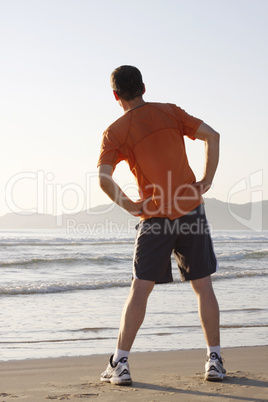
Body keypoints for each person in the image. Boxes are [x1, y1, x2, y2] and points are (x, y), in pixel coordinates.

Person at [97, 65, 226, 385]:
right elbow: (213, 135)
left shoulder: (115, 131)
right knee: (202, 286)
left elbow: (103, 177)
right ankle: (215, 359)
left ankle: (121, 363)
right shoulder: (170, 111)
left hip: (154, 217)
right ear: (143, 86)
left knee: (140, 289)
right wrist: (206, 181)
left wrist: (129, 205)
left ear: (115, 95)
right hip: (191, 209)